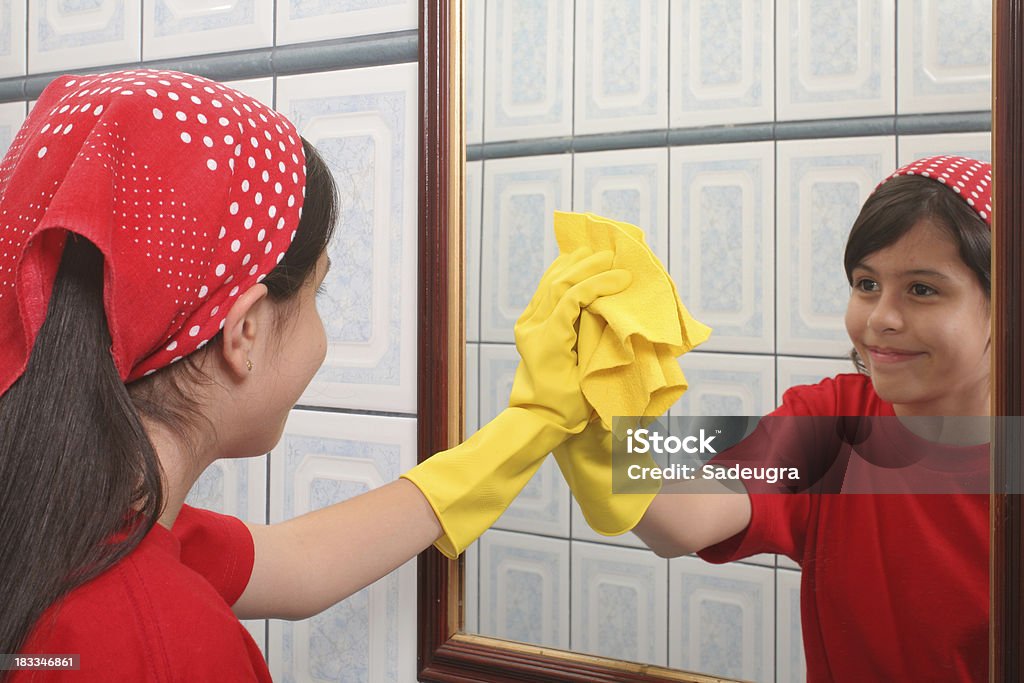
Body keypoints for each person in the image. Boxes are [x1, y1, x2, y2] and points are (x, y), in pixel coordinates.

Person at [0, 69, 631, 681]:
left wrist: (530, 427)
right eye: (319, 295)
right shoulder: (165, 643)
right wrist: (643, 434)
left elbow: (298, 563)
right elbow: (701, 506)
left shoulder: (60, 515)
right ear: (242, 330)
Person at [620, 155, 992, 681]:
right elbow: (681, 524)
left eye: (922, 289)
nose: (881, 318)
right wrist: (581, 407)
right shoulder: (834, 424)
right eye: (866, 285)